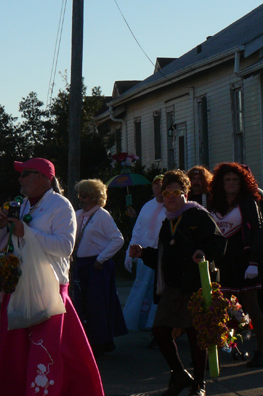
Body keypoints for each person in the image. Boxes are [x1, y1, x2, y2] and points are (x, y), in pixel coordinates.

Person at [0, 158, 104, 396]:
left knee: (46, 353)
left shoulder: (60, 206)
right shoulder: (22, 205)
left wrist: (27, 232)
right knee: (16, 355)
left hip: (48, 290)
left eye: (25, 174)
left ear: (42, 177)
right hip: (19, 288)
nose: (20, 179)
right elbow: (3, 244)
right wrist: (1, 227)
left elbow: (65, 246)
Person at [129, 169, 226, 396]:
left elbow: (219, 242)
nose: (171, 196)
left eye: (176, 192)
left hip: (195, 286)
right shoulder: (167, 221)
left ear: (185, 193)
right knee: (160, 331)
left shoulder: (198, 215)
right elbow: (164, 258)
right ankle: (180, 374)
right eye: (167, 192)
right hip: (172, 288)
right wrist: (143, 253)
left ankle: (199, 384)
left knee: (195, 336)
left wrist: (203, 251)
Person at [209, 162, 263, 368]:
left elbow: (258, 232)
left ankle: (261, 350)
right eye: (227, 179)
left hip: (244, 262)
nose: (231, 183)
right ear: (221, 183)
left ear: (243, 182)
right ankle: (230, 347)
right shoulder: (215, 203)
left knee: (251, 306)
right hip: (222, 264)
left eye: (235, 179)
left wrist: (253, 262)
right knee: (222, 308)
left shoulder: (248, 202)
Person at [72, 179, 127, 357]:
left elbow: (118, 239)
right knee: (82, 305)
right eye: (80, 194)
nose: (81, 198)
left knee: (98, 306)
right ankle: (86, 340)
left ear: (94, 197)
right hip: (81, 265)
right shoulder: (78, 214)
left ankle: (101, 342)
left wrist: (101, 259)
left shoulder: (102, 215)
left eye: (85, 195)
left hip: (97, 266)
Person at [123, 175, 166, 344]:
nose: (159, 189)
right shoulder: (147, 206)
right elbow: (138, 230)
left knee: (159, 290)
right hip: (144, 255)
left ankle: (156, 324)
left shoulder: (171, 207)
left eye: (162, 186)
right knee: (142, 288)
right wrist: (130, 251)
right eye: (156, 186)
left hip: (160, 255)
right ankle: (139, 320)